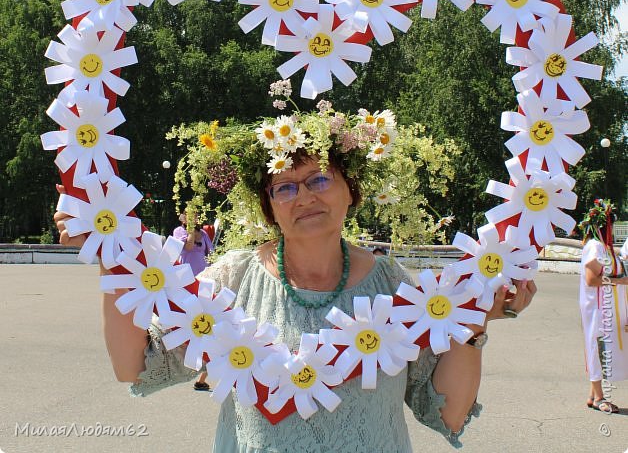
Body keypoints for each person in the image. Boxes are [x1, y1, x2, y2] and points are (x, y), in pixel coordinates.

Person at [54, 105, 536, 452]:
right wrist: (110, 257)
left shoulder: (395, 286)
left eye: (320, 179)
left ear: (352, 193)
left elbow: (448, 413)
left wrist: (473, 323)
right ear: (270, 209)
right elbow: (133, 365)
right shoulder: (234, 279)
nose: (303, 195)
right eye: (284, 185)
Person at [578, 199, 628, 413]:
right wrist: (620, 282)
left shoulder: (604, 247)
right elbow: (591, 280)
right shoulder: (595, 247)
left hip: (606, 307)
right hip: (598, 308)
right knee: (599, 348)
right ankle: (599, 398)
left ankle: (593, 394)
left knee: (600, 347)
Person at [172, 212, 213, 391]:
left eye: (195, 215)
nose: (193, 217)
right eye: (188, 215)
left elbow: (210, 255)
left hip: (203, 283)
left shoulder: (203, 234)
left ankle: (202, 377)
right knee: (188, 323)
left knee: (208, 324)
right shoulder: (178, 232)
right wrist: (190, 231)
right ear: (182, 218)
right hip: (186, 283)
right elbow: (187, 248)